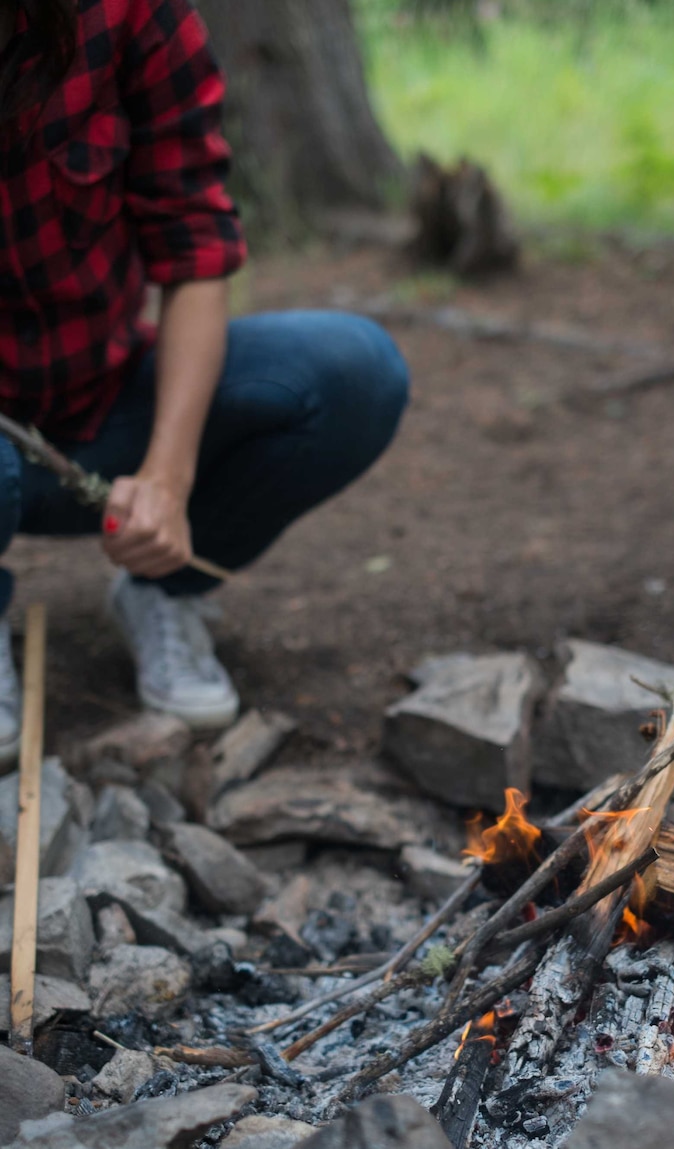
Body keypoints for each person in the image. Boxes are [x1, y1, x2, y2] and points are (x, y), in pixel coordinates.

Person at [0, 0, 409, 761]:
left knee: (356, 374)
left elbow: (193, 249)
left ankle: (162, 589)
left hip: (105, 400)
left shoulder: (129, 14)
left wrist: (166, 476)